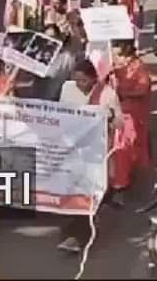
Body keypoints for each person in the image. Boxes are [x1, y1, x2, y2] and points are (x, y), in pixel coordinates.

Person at [56, 59, 123, 252]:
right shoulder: (68, 89)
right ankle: (73, 232)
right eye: (76, 80)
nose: (79, 85)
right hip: (73, 150)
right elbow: (61, 114)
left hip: (96, 154)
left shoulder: (108, 94)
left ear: (93, 79)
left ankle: (77, 237)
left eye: (83, 81)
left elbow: (120, 124)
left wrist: (109, 118)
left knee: (86, 197)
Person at [110, 39, 153, 195]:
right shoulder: (112, 65)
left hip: (132, 114)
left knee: (123, 146)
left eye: (116, 47)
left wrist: (124, 94)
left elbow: (143, 90)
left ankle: (121, 183)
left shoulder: (138, 67)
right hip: (116, 111)